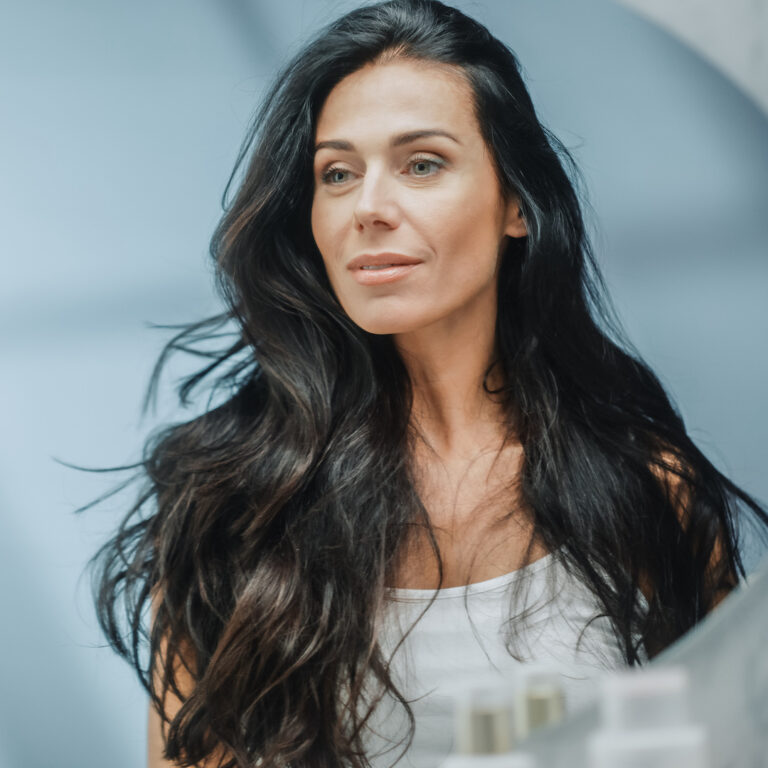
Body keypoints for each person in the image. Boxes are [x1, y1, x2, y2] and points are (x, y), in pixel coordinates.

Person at [89, 1, 768, 766]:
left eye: (422, 164)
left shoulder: (643, 483)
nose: (369, 209)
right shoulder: (231, 503)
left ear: (515, 203)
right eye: (337, 173)